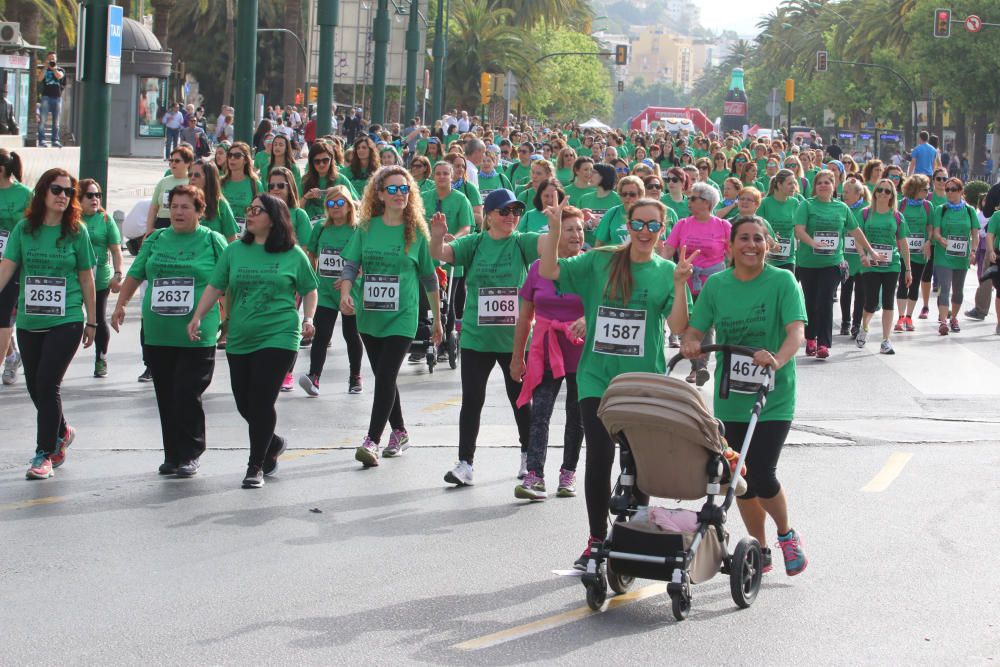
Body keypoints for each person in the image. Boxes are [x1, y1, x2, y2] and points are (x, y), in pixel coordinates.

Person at [539, 197, 694, 568]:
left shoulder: (665, 270)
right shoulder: (601, 259)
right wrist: (556, 227)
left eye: (653, 226)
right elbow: (550, 272)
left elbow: (677, 327)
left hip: (642, 380)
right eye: (638, 224)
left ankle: (631, 535)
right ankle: (595, 539)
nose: (644, 232)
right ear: (627, 224)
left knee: (639, 460)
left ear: (662, 229)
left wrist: (678, 283)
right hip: (597, 377)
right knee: (600, 454)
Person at [681, 215, 808, 576]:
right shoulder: (718, 285)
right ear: (730, 246)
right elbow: (696, 328)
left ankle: (786, 534)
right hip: (731, 396)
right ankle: (760, 549)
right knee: (739, 478)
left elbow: (795, 332)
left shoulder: (783, 281)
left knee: (764, 474)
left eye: (758, 239)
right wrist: (691, 343)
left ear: (768, 245)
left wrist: (777, 359)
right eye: (744, 239)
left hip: (773, 395)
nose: (751, 245)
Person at [188, 193, 318, 488]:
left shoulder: (292, 254)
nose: (250, 214)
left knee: (261, 400)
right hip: (241, 336)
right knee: (244, 403)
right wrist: (197, 316)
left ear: (273, 218)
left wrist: (308, 319)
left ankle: (255, 465)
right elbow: (215, 286)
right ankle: (272, 442)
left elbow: (310, 289)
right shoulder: (235, 251)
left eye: (257, 210)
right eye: (248, 209)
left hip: (280, 334)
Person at [111, 185, 227, 477]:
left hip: (197, 333)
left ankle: (191, 453)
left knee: (187, 392)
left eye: (185, 207)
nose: (178, 212)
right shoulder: (157, 239)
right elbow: (137, 273)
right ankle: (172, 455)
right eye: (174, 206)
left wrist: (230, 319)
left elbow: (229, 280)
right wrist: (120, 305)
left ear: (200, 211)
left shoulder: (213, 241)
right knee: (165, 394)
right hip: (159, 331)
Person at [431, 189, 542, 484]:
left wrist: (557, 223)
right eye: (504, 212)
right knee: (472, 400)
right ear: (490, 216)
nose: (511, 217)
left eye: (516, 212)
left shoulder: (522, 243)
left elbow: (549, 246)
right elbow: (439, 254)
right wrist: (438, 236)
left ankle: (528, 457)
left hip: (514, 339)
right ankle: (465, 463)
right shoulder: (475, 243)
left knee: (520, 399)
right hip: (477, 338)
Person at [339, 165, 443, 466]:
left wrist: (437, 319)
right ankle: (399, 431)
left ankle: (372, 440)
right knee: (385, 377)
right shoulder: (366, 227)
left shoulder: (417, 231)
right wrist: (346, 292)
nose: (400, 194)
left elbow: (429, 278)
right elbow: (350, 265)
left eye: (404, 189)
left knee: (386, 376)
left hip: (404, 314)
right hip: (369, 314)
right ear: (380, 195)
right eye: (393, 189)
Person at [0, 169, 97, 479]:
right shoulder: (23, 230)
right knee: (34, 385)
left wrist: (92, 321)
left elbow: (86, 277)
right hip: (30, 320)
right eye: (56, 189)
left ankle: (45, 453)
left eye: (68, 192)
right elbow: (6, 268)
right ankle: (62, 430)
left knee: (47, 382)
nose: (62, 196)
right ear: (43, 192)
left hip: (67, 318)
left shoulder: (76, 231)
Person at [511, 205, 586, 500]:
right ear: (555, 234)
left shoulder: (590, 266)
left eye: (580, 229)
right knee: (540, 413)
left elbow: (604, 305)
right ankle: (534, 475)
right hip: (545, 349)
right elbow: (524, 317)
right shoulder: (536, 269)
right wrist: (517, 357)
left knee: (576, 416)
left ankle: (568, 473)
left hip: (581, 352)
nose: (576, 235)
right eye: (569, 229)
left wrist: (587, 319)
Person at [794, 170, 875, 359]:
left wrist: (870, 251)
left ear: (834, 186)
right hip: (808, 262)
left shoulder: (841, 208)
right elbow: (799, 230)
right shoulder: (806, 205)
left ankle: (823, 343)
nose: (823, 185)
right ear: (815, 186)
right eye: (820, 182)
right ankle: (810, 337)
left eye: (827, 182)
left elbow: (856, 231)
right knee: (811, 301)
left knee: (825, 300)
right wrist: (812, 242)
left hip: (832, 262)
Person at [662, 181, 730, 385]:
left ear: (707, 202)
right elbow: (668, 250)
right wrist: (662, 268)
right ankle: (695, 363)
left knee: (706, 324)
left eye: (693, 198)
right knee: (685, 324)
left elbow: (733, 254)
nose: (688, 200)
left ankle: (700, 367)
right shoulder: (683, 224)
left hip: (712, 283)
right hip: (685, 281)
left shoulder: (723, 226)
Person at [300, 185, 364, 395]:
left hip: (351, 290)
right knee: (321, 334)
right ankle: (314, 376)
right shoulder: (320, 227)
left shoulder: (357, 229)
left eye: (340, 203)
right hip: (325, 290)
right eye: (331, 203)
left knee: (351, 334)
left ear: (348, 205)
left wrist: (350, 277)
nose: (335, 207)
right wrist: (313, 276)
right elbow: (312, 254)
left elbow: (364, 259)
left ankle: (355, 376)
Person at [855, 179, 911, 354]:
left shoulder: (897, 216)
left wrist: (908, 268)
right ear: (875, 192)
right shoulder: (864, 214)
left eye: (887, 191)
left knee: (888, 302)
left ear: (892, 195)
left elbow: (903, 243)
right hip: (870, 265)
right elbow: (858, 237)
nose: (883, 193)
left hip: (891, 265)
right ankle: (864, 327)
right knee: (871, 302)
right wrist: (863, 255)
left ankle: (886, 340)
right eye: (880, 190)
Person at [78, 179, 123, 377]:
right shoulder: (72, 218)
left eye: (98, 195)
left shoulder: (105, 219)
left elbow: (116, 250)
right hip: (74, 278)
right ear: (78, 198)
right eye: (89, 195)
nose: (95, 199)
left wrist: (118, 274)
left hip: (100, 279)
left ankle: (101, 358)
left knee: (97, 318)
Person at [931, 178, 978, 335]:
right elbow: (935, 232)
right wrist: (940, 239)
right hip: (943, 255)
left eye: (953, 189)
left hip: (961, 257)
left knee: (958, 290)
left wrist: (973, 251)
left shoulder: (970, 211)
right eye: (947, 189)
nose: (949, 192)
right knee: (944, 287)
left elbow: (975, 234)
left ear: (960, 191)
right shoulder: (941, 209)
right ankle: (943, 321)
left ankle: (954, 318)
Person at [0, 149, 31, 386]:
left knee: (3, 318)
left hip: (12, 265)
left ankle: (7, 362)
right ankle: (11, 355)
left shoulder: (24, 195)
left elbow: (34, 226)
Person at [894, 175, 934, 331]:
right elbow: (895, 226)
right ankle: (900, 317)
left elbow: (930, 227)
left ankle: (909, 318)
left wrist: (928, 241)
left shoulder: (928, 206)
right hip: (903, 252)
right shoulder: (900, 205)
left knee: (915, 284)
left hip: (920, 253)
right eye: (925, 189)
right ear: (915, 189)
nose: (927, 192)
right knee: (903, 283)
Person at [839, 179, 870, 339]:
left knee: (861, 292)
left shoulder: (866, 210)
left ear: (858, 194)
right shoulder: (841, 208)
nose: (844, 195)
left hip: (861, 257)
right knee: (845, 290)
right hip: (846, 256)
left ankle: (857, 323)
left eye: (847, 192)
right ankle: (845, 321)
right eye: (843, 192)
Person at [300, 141, 358, 224]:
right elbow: (296, 208)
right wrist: (306, 196)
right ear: (311, 162)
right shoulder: (305, 180)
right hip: (312, 222)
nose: (321, 164)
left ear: (331, 160)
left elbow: (358, 205)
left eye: (325, 160)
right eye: (317, 161)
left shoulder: (341, 179)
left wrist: (338, 194)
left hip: (337, 221)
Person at [759, 169, 800, 272]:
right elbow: (758, 227)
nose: (793, 186)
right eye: (789, 183)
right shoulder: (764, 203)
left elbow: (798, 229)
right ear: (779, 185)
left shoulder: (795, 203)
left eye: (794, 183)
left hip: (788, 258)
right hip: (767, 257)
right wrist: (770, 237)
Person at [146, 146, 193, 235]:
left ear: (188, 163)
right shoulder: (163, 182)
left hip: (183, 224)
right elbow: (153, 208)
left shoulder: (192, 181)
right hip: (162, 224)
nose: (173, 164)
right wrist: (149, 230)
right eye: (171, 161)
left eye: (177, 161)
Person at [189, 159, 239, 242]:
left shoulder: (221, 205)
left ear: (209, 178)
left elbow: (231, 239)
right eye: (190, 175)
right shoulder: (184, 201)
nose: (192, 178)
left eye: (197, 175)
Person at [220, 142, 262, 236]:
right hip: (223, 234)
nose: (232, 158)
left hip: (248, 235)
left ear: (246, 160)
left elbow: (262, 211)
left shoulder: (255, 183)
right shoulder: (219, 183)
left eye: (237, 155)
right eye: (229, 155)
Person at [38, 52, 66, 148]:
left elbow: (59, 76)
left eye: (53, 59)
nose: (51, 60)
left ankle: (55, 140)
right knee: (43, 120)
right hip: (46, 96)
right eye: (49, 59)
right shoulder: (44, 69)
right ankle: (41, 140)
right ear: (47, 60)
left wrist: (54, 69)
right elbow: (39, 78)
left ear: (56, 59)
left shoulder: (60, 69)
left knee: (56, 120)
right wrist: (45, 67)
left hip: (57, 97)